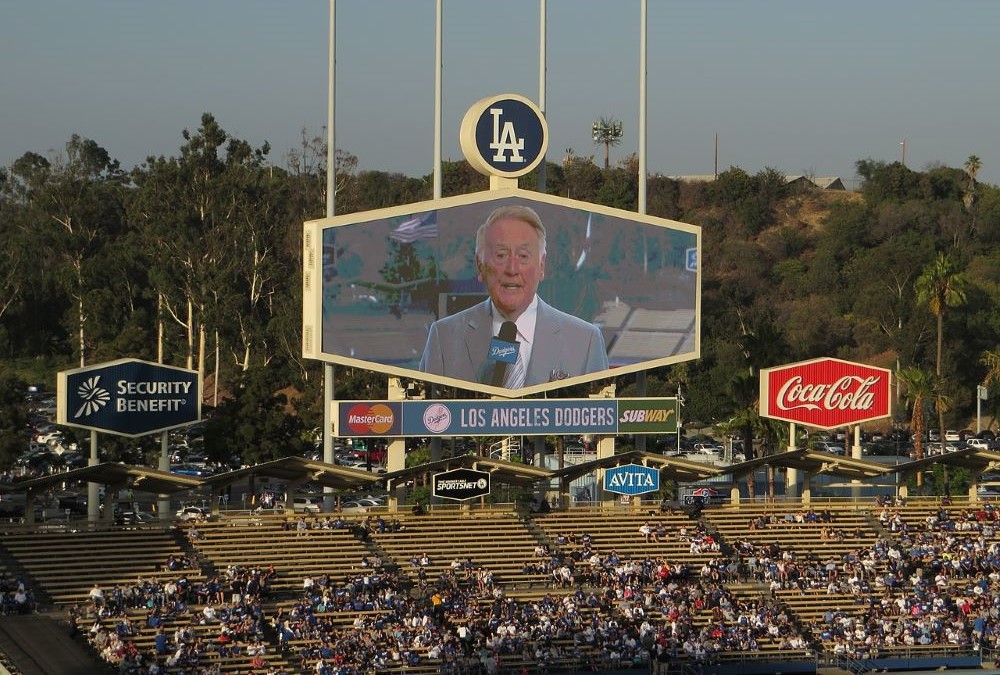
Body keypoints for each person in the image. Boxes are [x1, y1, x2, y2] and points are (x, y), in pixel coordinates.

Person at [419, 204, 608, 387]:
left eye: (523, 256)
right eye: (500, 255)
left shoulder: (586, 341)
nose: (512, 269)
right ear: (480, 265)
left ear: (541, 266)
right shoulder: (443, 338)